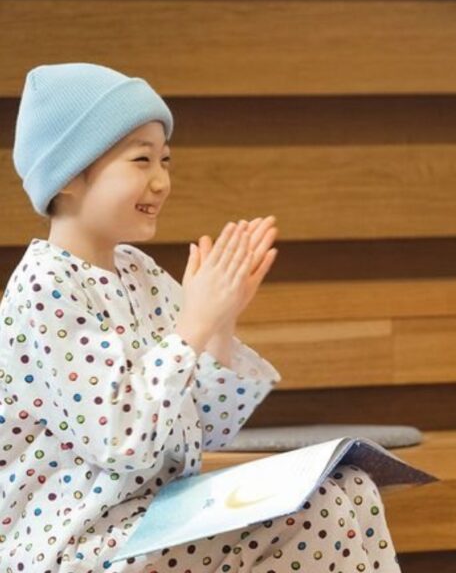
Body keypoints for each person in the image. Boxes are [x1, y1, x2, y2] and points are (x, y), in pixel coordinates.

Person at [0, 63, 399, 572]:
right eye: (141, 160)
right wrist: (193, 326)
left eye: (165, 160)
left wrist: (219, 326)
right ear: (70, 174)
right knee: (317, 514)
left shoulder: (139, 272)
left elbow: (208, 429)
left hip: (155, 518)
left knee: (353, 487)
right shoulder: (45, 286)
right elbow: (121, 441)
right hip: (77, 544)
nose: (161, 181)